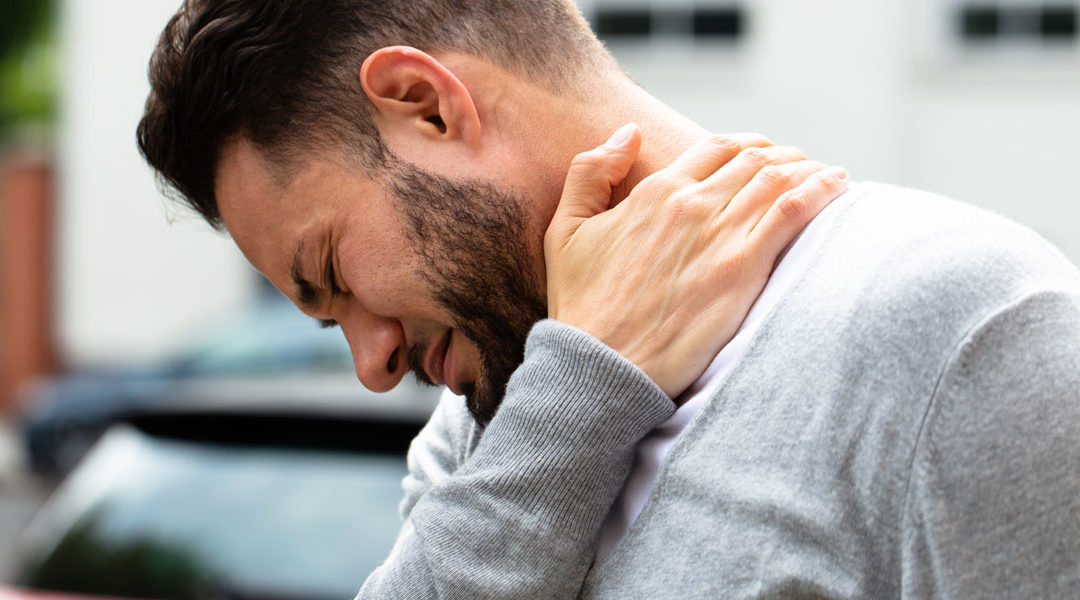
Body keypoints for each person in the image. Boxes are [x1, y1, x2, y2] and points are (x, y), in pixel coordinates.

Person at [136, 1, 1080, 598]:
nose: (374, 365)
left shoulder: (960, 330)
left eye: (333, 274)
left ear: (427, 105)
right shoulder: (495, 417)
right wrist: (578, 396)